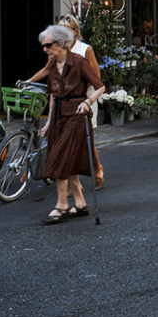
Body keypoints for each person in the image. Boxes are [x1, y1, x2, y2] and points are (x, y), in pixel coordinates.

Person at [26, 16, 105, 190]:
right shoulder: (56, 50)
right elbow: (49, 71)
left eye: (64, 29)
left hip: (84, 98)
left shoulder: (84, 50)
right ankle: (73, 189)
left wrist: (83, 93)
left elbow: (96, 77)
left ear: (74, 32)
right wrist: (29, 80)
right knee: (68, 143)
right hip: (64, 103)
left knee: (85, 140)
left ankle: (96, 170)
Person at [37, 24, 104, 224]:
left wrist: (87, 102)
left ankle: (62, 206)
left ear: (60, 44)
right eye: (44, 46)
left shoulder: (79, 62)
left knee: (59, 158)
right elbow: (53, 96)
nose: (45, 50)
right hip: (58, 117)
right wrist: (48, 122)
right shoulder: (52, 66)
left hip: (76, 115)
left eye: (48, 45)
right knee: (69, 161)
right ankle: (81, 203)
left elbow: (100, 87)